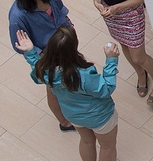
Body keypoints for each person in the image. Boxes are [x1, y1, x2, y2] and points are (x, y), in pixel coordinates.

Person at [15, 27, 120, 161]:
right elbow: (106, 89)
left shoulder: (46, 70)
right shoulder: (83, 74)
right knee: (107, 147)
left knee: (87, 141)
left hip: (73, 115)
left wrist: (30, 52)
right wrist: (111, 61)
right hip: (100, 116)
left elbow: (36, 67)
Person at [8, 0, 76, 131]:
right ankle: (64, 122)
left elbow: (58, 4)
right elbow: (20, 45)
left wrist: (67, 21)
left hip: (65, 38)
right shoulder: (18, 16)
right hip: (48, 53)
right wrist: (42, 57)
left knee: (70, 72)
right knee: (52, 87)